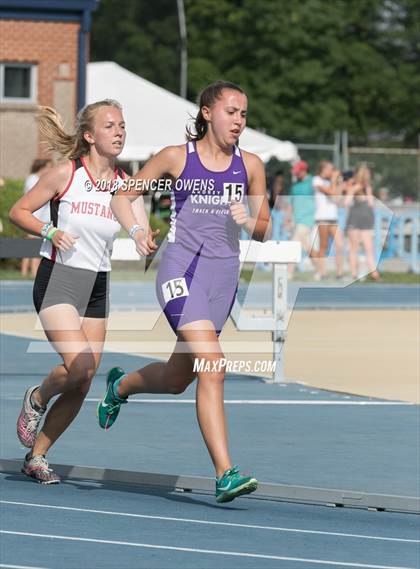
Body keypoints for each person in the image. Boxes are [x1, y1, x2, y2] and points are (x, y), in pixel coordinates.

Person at [98, 80, 272, 503]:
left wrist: (248, 220)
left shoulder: (250, 164)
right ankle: (225, 472)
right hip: (181, 270)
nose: (239, 121)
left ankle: (121, 386)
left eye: (244, 114)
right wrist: (138, 230)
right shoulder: (177, 157)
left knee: (180, 378)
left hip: (222, 278)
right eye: (231, 112)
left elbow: (265, 228)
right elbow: (124, 195)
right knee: (213, 364)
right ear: (208, 113)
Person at [9, 99, 154, 484]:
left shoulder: (126, 185)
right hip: (59, 276)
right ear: (89, 136)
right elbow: (19, 211)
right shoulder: (65, 174)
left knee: (84, 379)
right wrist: (50, 230)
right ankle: (37, 397)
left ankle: (37, 456)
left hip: (96, 284)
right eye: (109, 126)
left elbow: (139, 225)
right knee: (82, 366)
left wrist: (144, 239)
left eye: (122, 125)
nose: (119, 131)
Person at [344, 164, 380, 281]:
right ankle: (354, 273)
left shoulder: (368, 187)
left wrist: (367, 192)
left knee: (368, 248)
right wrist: (354, 190)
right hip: (354, 220)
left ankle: (374, 274)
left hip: (366, 221)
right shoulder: (353, 187)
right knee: (354, 248)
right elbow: (346, 202)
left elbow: (371, 204)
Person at [310, 160, 344, 280]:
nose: (332, 171)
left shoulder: (332, 181)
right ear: (323, 169)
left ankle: (340, 273)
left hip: (333, 218)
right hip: (322, 218)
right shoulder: (317, 180)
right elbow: (330, 193)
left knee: (339, 245)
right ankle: (321, 272)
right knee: (323, 246)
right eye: (330, 169)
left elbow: (338, 198)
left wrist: (339, 183)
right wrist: (335, 180)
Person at [21, 159, 52, 278]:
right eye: (48, 167)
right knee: (32, 247)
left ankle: (31, 273)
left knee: (36, 247)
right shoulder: (33, 179)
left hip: (43, 219)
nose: (50, 169)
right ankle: (30, 273)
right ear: (42, 167)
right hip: (33, 217)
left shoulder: (40, 179)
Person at [288, 160, 316, 278]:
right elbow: (290, 204)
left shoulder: (313, 182)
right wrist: (288, 219)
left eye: (298, 172)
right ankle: (320, 269)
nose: (296, 174)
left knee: (293, 244)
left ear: (304, 170)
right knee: (306, 246)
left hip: (308, 219)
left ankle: (289, 272)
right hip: (297, 220)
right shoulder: (294, 186)